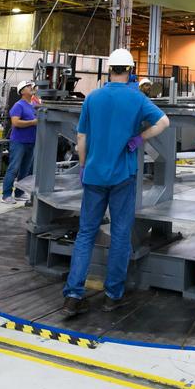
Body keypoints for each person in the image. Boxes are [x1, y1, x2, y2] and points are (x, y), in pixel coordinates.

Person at [62, 48, 169, 316]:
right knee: (120, 234)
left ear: (109, 69)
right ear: (130, 71)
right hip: (123, 175)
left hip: (94, 175)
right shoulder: (137, 98)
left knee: (86, 233)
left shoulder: (93, 97)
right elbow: (164, 122)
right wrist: (139, 138)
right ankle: (113, 295)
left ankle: (73, 296)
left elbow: (81, 138)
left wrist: (83, 165)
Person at [2, 80, 37, 204]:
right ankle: (6, 195)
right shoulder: (19, 105)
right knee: (14, 168)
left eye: (31, 86)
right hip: (19, 142)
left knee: (25, 169)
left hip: (31, 141)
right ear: (22, 91)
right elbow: (15, 122)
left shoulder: (34, 105)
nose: (31, 88)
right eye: (28, 86)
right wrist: (33, 122)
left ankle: (19, 192)